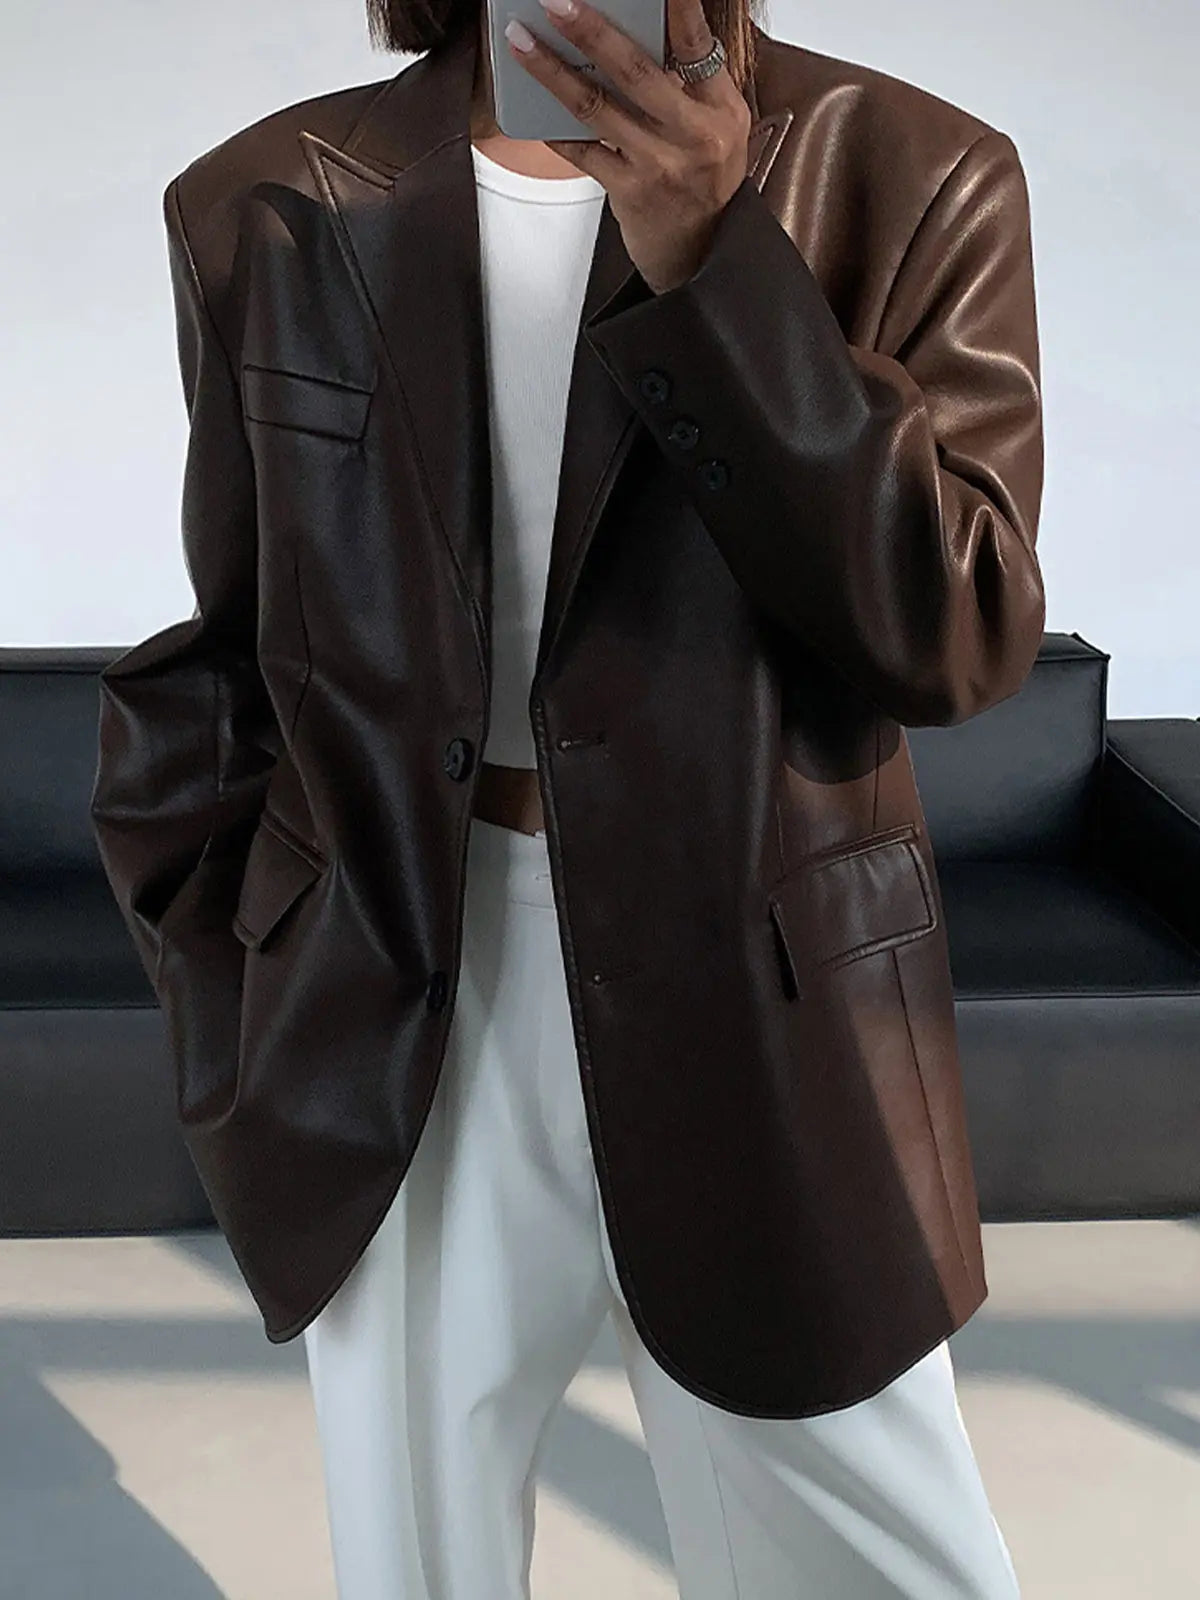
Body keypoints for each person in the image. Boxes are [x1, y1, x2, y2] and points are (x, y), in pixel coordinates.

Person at [91, 0, 1045, 1592]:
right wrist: (232, 980)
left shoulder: (915, 173)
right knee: (420, 1567)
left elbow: (957, 634)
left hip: (768, 995)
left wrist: (720, 264)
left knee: (893, 1566)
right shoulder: (266, 202)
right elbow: (240, 644)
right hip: (390, 990)